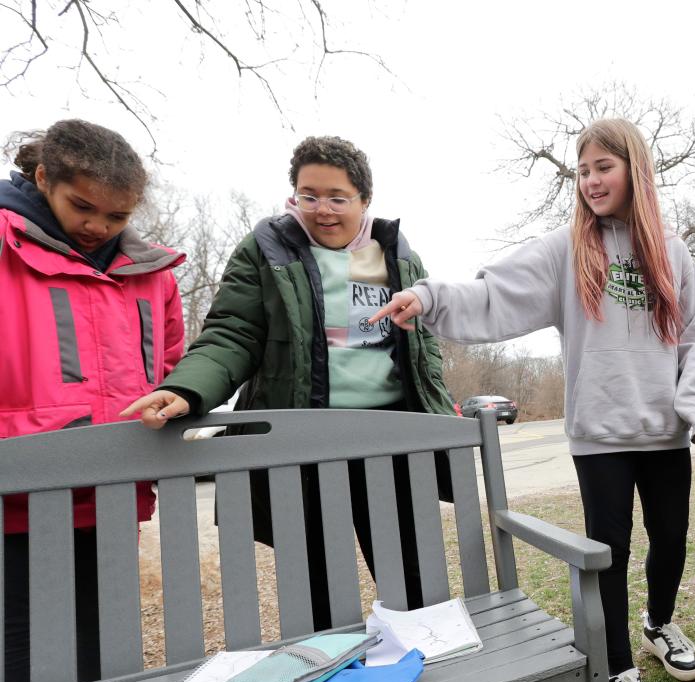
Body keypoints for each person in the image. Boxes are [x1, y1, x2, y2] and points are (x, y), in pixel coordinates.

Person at [369, 118, 695, 682]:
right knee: (608, 556)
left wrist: (691, 406)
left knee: (672, 539)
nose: (590, 180)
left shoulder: (673, 251)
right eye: (582, 171)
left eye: (603, 167)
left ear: (634, 168)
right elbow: (495, 292)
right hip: (599, 436)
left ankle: (660, 622)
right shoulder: (567, 250)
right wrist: (429, 297)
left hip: (664, 431)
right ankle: (618, 671)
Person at [123, 136, 455, 631]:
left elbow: (421, 345)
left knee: (413, 581)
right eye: (309, 195)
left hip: (390, 440)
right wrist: (188, 389)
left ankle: (424, 670)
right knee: (319, 591)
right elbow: (233, 333)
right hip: (302, 445)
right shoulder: (268, 247)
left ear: (364, 200)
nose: (322, 209)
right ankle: (330, 679)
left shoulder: (397, 252)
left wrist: (440, 403)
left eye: (337, 197)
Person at [1, 119, 185, 682]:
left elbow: (175, 362)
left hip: (115, 490)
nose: (97, 226)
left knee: (105, 648)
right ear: (42, 178)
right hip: (19, 492)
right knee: (20, 653)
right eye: (82, 206)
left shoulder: (151, 274)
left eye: (117, 216)